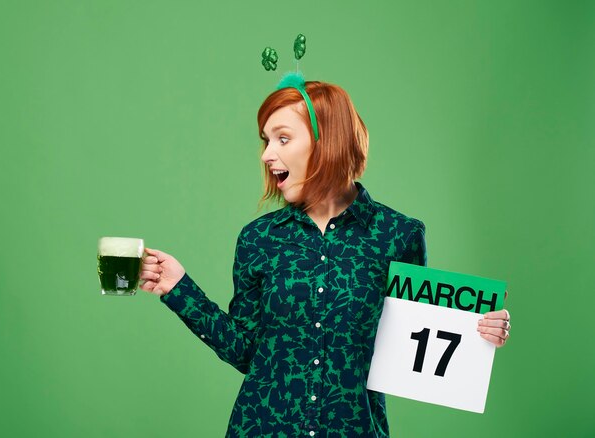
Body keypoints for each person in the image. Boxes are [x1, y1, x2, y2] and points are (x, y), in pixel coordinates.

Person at [139, 77, 511, 437]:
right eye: (266, 141)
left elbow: (416, 350)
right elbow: (246, 351)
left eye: (283, 138)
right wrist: (179, 289)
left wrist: (479, 333)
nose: (268, 155)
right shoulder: (259, 239)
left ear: (326, 140)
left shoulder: (399, 236)